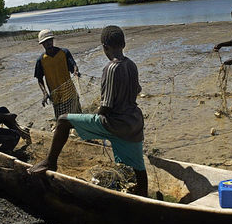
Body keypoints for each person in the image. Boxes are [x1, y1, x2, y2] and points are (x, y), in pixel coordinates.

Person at [28, 26, 147, 197]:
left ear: (104, 46)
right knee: (139, 165)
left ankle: (50, 162)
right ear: (124, 44)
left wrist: (95, 116)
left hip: (114, 123)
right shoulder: (132, 64)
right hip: (135, 122)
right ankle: (143, 190)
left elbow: (106, 107)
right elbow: (137, 89)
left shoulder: (110, 68)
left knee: (62, 120)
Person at [34, 29, 82, 120]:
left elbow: (73, 66)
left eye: (49, 41)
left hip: (70, 92)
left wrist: (76, 71)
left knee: (78, 116)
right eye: (45, 42)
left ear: (52, 40)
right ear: (42, 44)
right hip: (56, 97)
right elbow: (39, 79)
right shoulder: (41, 60)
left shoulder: (64, 53)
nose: (48, 43)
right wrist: (45, 93)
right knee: (62, 121)